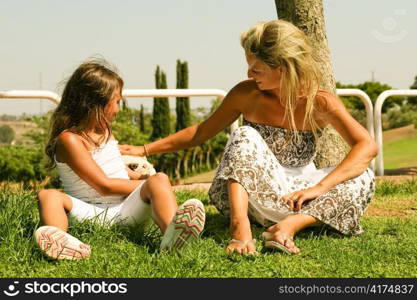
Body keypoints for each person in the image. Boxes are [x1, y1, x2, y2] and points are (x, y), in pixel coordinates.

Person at [120, 20, 377, 255]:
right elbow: (201, 132)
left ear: (283, 68)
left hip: (302, 198)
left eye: (257, 69)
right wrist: (144, 149)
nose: (249, 74)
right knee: (244, 134)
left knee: (363, 174)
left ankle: (289, 227)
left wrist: (318, 188)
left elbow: (366, 146)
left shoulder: (319, 102)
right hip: (254, 197)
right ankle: (239, 228)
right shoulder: (247, 94)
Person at [35, 59, 205, 260]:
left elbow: (113, 169)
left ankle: (173, 239)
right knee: (49, 196)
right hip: (89, 213)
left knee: (158, 180)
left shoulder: (105, 131)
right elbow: (104, 185)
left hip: (125, 210)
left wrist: (143, 180)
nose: (118, 108)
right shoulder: (69, 140)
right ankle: (62, 242)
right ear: (95, 102)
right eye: (116, 101)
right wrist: (152, 185)